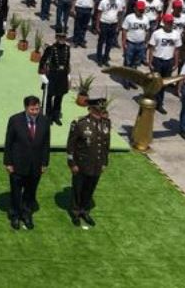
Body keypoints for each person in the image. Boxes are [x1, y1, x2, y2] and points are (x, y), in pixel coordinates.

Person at [3, 95, 50, 230]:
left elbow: (46, 143)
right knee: (16, 192)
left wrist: (44, 163)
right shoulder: (15, 120)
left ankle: (27, 214)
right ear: (25, 108)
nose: (35, 111)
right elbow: (9, 142)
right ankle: (15, 215)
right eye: (32, 109)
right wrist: (8, 162)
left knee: (30, 192)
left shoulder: (45, 121)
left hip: (35, 165)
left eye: (37, 108)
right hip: (17, 164)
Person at [66, 97, 111, 226]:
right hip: (81, 164)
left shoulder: (106, 123)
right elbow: (71, 145)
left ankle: (85, 211)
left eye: (100, 110)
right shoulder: (80, 123)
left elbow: (106, 144)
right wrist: (72, 163)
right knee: (78, 189)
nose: (99, 113)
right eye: (97, 111)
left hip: (97, 164)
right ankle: (75, 212)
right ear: (90, 109)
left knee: (90, 189)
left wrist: (104, 162)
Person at [147, 14, 181, 115]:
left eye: (171, 22)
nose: (170, 24)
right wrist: (150, 62)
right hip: (158, 60)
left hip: (168, 61)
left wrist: (176, 62)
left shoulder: (176, 34)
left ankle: (159, 103)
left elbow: (177, 49)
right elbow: (151, 48)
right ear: (164, 23)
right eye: (168, 22)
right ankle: (151, 100)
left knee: (163, 84)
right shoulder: (157, 33)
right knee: (154, 83)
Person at [39, 26, 71, 125]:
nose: (62, 39)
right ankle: (48, 116)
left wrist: (68, 75)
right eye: (60, 37)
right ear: (56, 37)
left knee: (59, 97)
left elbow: (67, 62)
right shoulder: (51, 48)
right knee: (49, 97)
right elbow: (43, 60)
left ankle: (55, 116)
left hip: (62, 76)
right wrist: (42, 73)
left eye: (63, 37)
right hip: (52, 75)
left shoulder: (67, 48)